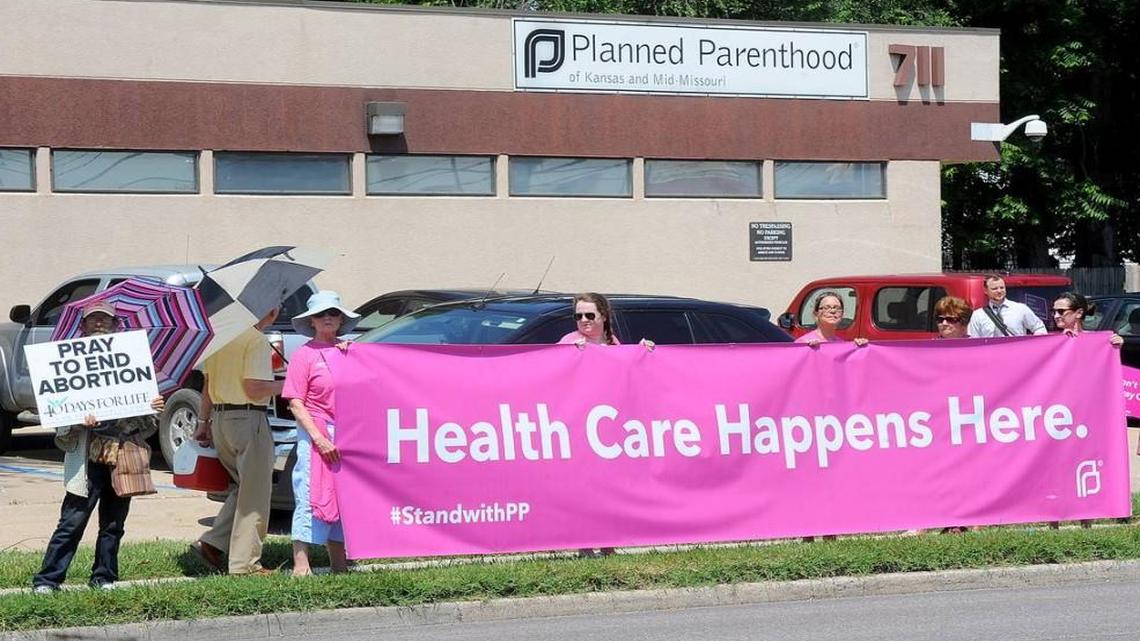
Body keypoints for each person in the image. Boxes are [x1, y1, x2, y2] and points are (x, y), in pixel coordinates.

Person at [32, 301, 165, 592]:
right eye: (93, 320)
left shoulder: (132, 360)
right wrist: (78, 422)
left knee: (113, 523)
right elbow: (59, 417)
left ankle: (104, 577)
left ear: (116, 326)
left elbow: (147, 423)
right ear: (83, 326)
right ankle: (47, 580)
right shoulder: (68, 365)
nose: (99, 324)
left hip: (123, 454)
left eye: (105, 320)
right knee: (72, 520)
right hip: (87, 455)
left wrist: (153, 406)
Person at [191, 307, 284, 576]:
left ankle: (211, 544)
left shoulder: (220, 338)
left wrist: (203, 422)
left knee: (244, 488)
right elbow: (254, 388)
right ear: (271, 311)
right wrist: (289, 383)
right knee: (255, 494)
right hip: (248, 418)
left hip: (221, 421)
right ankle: (245, 564)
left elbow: (206, 387)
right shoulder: (255, 340)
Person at [282, 291, 360, 576]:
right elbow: (295, 402)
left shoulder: (350, 351)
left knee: (342, 497)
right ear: (312, 321)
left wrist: (355, 356)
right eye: (321, 314)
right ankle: (301, 565)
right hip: (315, 432)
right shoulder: (304, 355)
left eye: (333, 313)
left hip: (348, 434)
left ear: (341, 319)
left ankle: (340, 564)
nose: (327, 318)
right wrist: (318, 438)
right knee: (309, 495)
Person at [967, 275, 1047, 337]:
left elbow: (1039, 328)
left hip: (1017, 354)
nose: (999, 291)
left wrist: (1033, 343)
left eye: (1002, 288)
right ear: (985, 290)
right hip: (990, 356)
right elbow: (974, 341)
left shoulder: (1021, 309)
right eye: (994, 289)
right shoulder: (978, 315)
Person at [795, 292, 869, 347]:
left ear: (842, 314)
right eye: (826, 308)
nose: (833, 311)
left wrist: (859, 348)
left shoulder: (841, 344)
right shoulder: (803, 342)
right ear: (816, 314)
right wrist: (806, 351)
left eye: (837, 308)